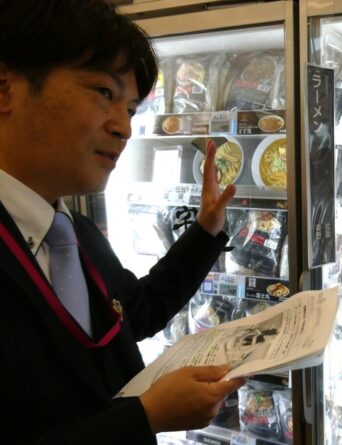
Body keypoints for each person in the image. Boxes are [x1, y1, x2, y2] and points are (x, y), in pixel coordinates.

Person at [0, 1, 245, 443]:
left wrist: (206, 229)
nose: (124, 128)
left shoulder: (74, 232)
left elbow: (138, 312)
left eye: (130, 109)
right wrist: (145, 418)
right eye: (103, 93)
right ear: (5, 89)